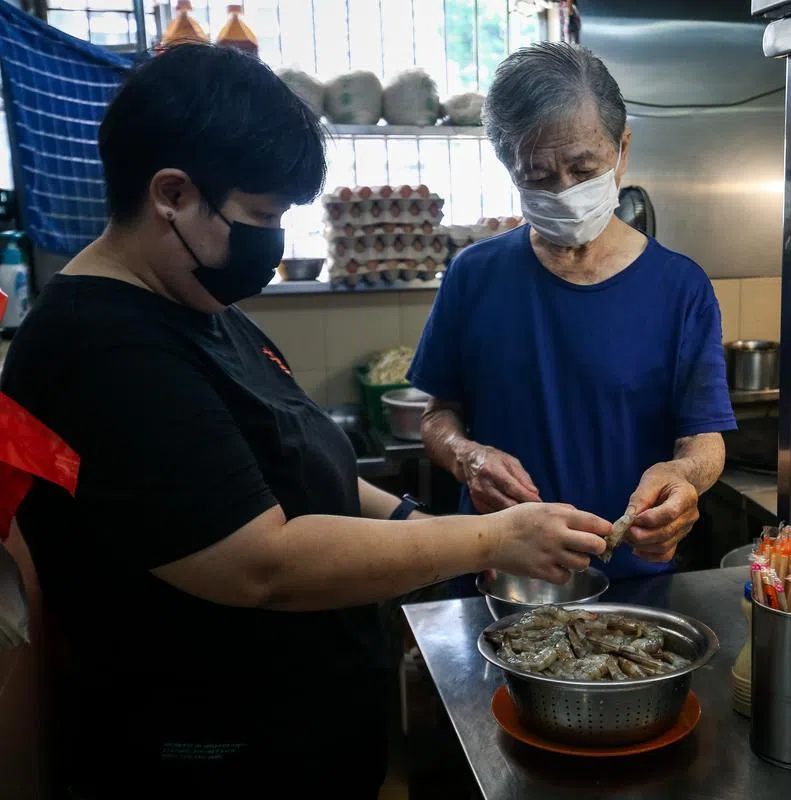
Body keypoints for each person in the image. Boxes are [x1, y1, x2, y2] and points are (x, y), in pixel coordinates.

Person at [0, 44, 609, 798]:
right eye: (261, 215)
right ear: (171, 195)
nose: (274, 239)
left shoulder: (195, 303)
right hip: (206, 757)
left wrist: (426, 529)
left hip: (303, 734)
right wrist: (487, 537)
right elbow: (261, 562)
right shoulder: (100, 351)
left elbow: (304, 461)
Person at [409, 43, 735, 585]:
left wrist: (683, 476)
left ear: (622, 150)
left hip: (633, 580)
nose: (563, 192)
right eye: (537, 176)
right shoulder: (474, 275)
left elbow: (704, 438)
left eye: (584, 169)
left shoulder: (680, 288)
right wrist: (466, 456)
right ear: (509, 168)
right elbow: (437, 417)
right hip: (499, 579)